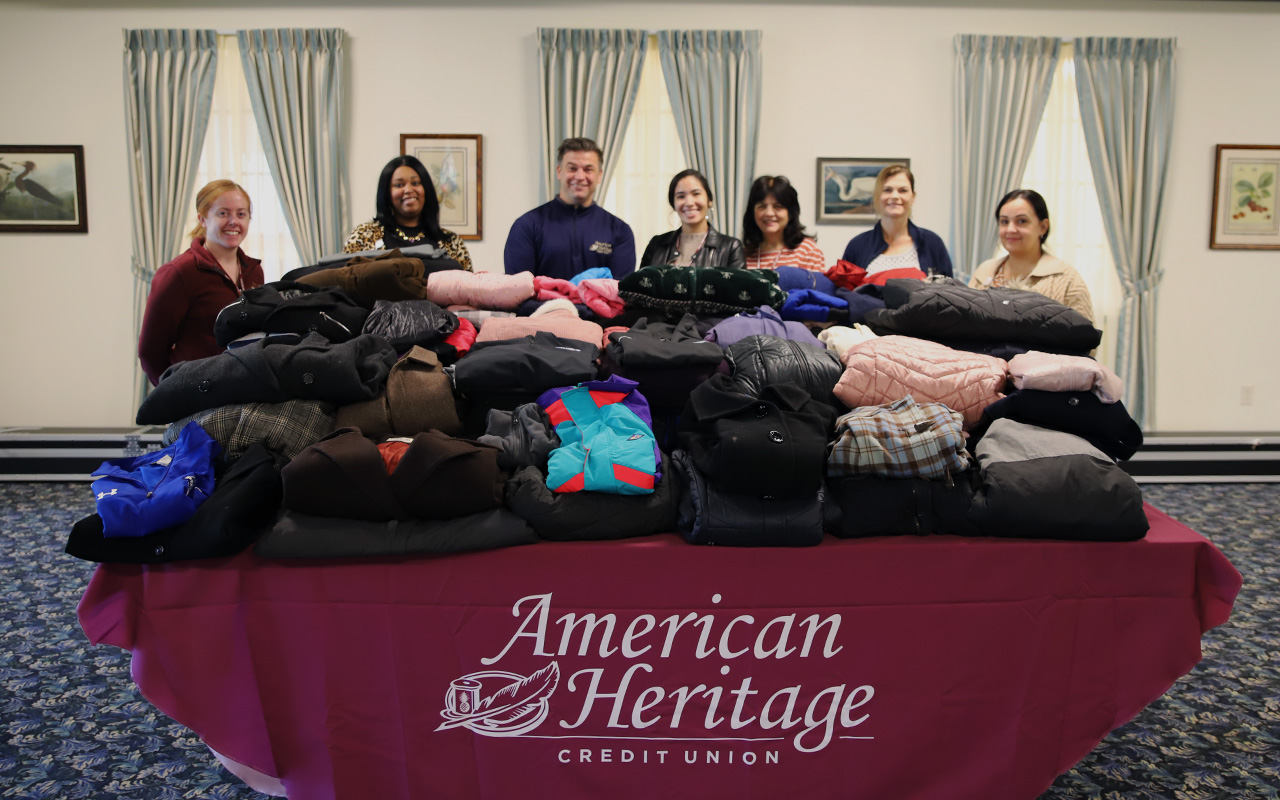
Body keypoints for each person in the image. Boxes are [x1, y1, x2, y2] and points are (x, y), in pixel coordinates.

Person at [138, 180, 265, 386]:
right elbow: (150, 352)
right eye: (223, 213)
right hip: (195, 396)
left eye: (241, 214)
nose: (233, 221)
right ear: (203, 219)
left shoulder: (253, 270)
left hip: (240, 388)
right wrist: (172, 394)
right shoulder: (179, 273)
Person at [504, 137, 636, 280]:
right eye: (572, 168)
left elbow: (620, 294)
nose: (580, 176)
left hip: (597, 304)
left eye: (588, 169)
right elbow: (517, 291)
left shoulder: (620, 231)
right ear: (559, 171)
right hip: (546, 304)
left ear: (599, 175)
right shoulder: (527, 226)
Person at [969, 189, 1094, 322]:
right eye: (1004, 222)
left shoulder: (1066, 278)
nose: (1011, 229)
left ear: (1043, 227)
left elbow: (1084, 336)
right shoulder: (983, 273)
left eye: (1022, 221)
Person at [343, 155, 473, 270]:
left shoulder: (452, 242)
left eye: (415, 183)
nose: (408, 190)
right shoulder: (363, 235)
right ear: (387, 193)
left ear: (426, 189)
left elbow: (469, 290)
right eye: (399, 185)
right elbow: (344, 281)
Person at [841, 165, 953, 277]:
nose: (895, 196)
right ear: (877, 196)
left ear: (913, 197)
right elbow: (843, 292)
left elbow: (949, 291)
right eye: (887, 190)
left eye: (903, 190)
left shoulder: (932, 243)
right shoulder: (857, 246)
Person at [639, 169, 746, 270]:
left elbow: (737, 289)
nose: (689, 203)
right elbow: (637, 287)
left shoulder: (731, 247)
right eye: (681, 196)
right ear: (673, 205)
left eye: (696, 194)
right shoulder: (656, 245)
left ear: (709, 200)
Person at [740, 175, 825, 271]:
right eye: (762, 206)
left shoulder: (808, 251)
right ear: (752, 212)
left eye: (778, 206)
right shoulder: (742, 254)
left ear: (790, 212)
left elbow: (817, 285)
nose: (769, 213)